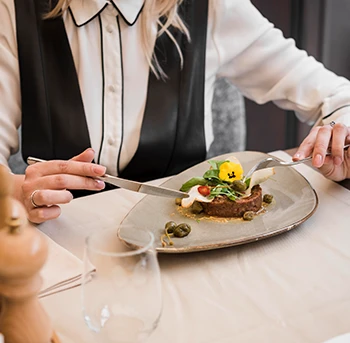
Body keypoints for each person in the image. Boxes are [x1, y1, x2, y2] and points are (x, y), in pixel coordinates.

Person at [0, 0, 350, 224]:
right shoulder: (11, 12)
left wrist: (339, 131)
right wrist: (13, 191)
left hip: (189, 250)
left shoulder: (214, 7)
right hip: (61, 255)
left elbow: (338, 97)